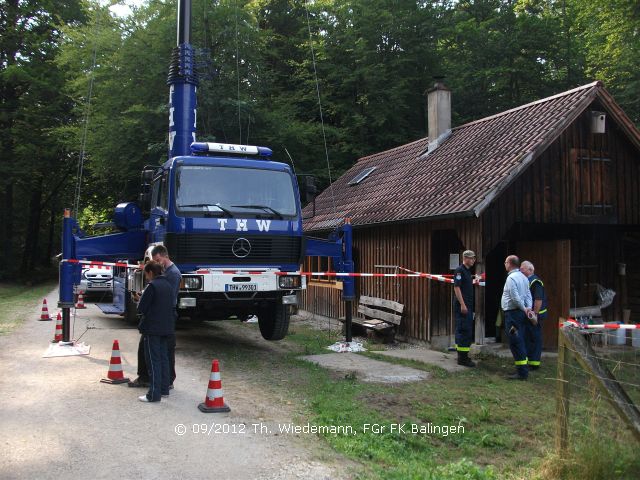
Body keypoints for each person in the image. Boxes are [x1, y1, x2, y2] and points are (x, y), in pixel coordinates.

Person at [129, 245, 182, 389]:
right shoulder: (165, 274)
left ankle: (164, 382)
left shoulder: (173, 274)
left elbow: (166, 298)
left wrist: (146, 300)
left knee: (164, 350)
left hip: (163, 316)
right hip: (160, 315)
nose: (157, 263)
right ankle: (152, 379)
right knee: (151, 348)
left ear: (165, 255)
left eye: (158, 260)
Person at [136, 261, 174, 402]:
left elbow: (142, 308)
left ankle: (153, 394)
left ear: (151, 272)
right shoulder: (168, 285)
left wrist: (139, 299)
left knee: (153, 360)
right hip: (166, 327)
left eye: (146, 274)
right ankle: (164, 389)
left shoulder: (152, 286)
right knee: (164, 358)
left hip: (152, 328)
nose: (146, 277)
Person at [501, 255, 533, 380]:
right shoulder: (524, 278)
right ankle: (522, 370)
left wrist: (525, 309)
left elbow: (515, 297)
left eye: (505, 262)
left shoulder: (511, 278)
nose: (505, 264)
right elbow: (528, 295)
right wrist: (528, 308)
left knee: (515, 341)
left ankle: (522, 373)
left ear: (509, 263)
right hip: (519, 314)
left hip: (513, 314)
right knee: (519, 340)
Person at [520, 260, 547, 370]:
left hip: (535, 315)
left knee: (534, 338)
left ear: (530, 270)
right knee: (527, 337)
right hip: (529, 314)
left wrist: (534, 315)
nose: (520, 270)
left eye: (523, 268)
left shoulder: (535, 281)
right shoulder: (526, 280)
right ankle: (529, 360)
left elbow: (538, 299)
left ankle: (534, 363)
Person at [453, 250, 477, 367]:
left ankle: (460, 355)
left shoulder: (467, 271)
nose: (473, 260)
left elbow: (465, 285)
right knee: (464, 330)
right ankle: (463, 358)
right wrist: (462, 304)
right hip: (463, 306)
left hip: (467, 305)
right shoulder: (460, 270)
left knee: (462, 329)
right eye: (471, 258)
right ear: (466, 258)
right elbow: (457, 288)